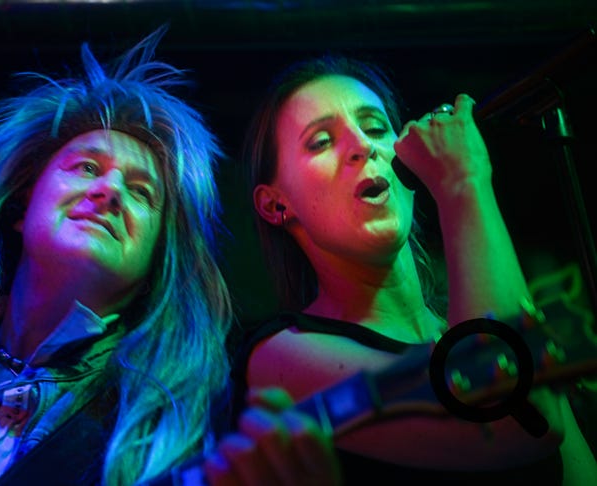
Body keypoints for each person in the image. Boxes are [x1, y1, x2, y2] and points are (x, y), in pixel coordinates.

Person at [0, 28, 340, 486]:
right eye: (87, 167)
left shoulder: (173, 437)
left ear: (157, 262)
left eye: (141, 192)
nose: (110, 190)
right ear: (21, 207)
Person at [232, 54, 597, 484]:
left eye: (375, 128)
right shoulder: (280, 358)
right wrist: (462, 182)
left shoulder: (473, 317)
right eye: (321, 141)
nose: (362, 146)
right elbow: (512, 420)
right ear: (275, 204)